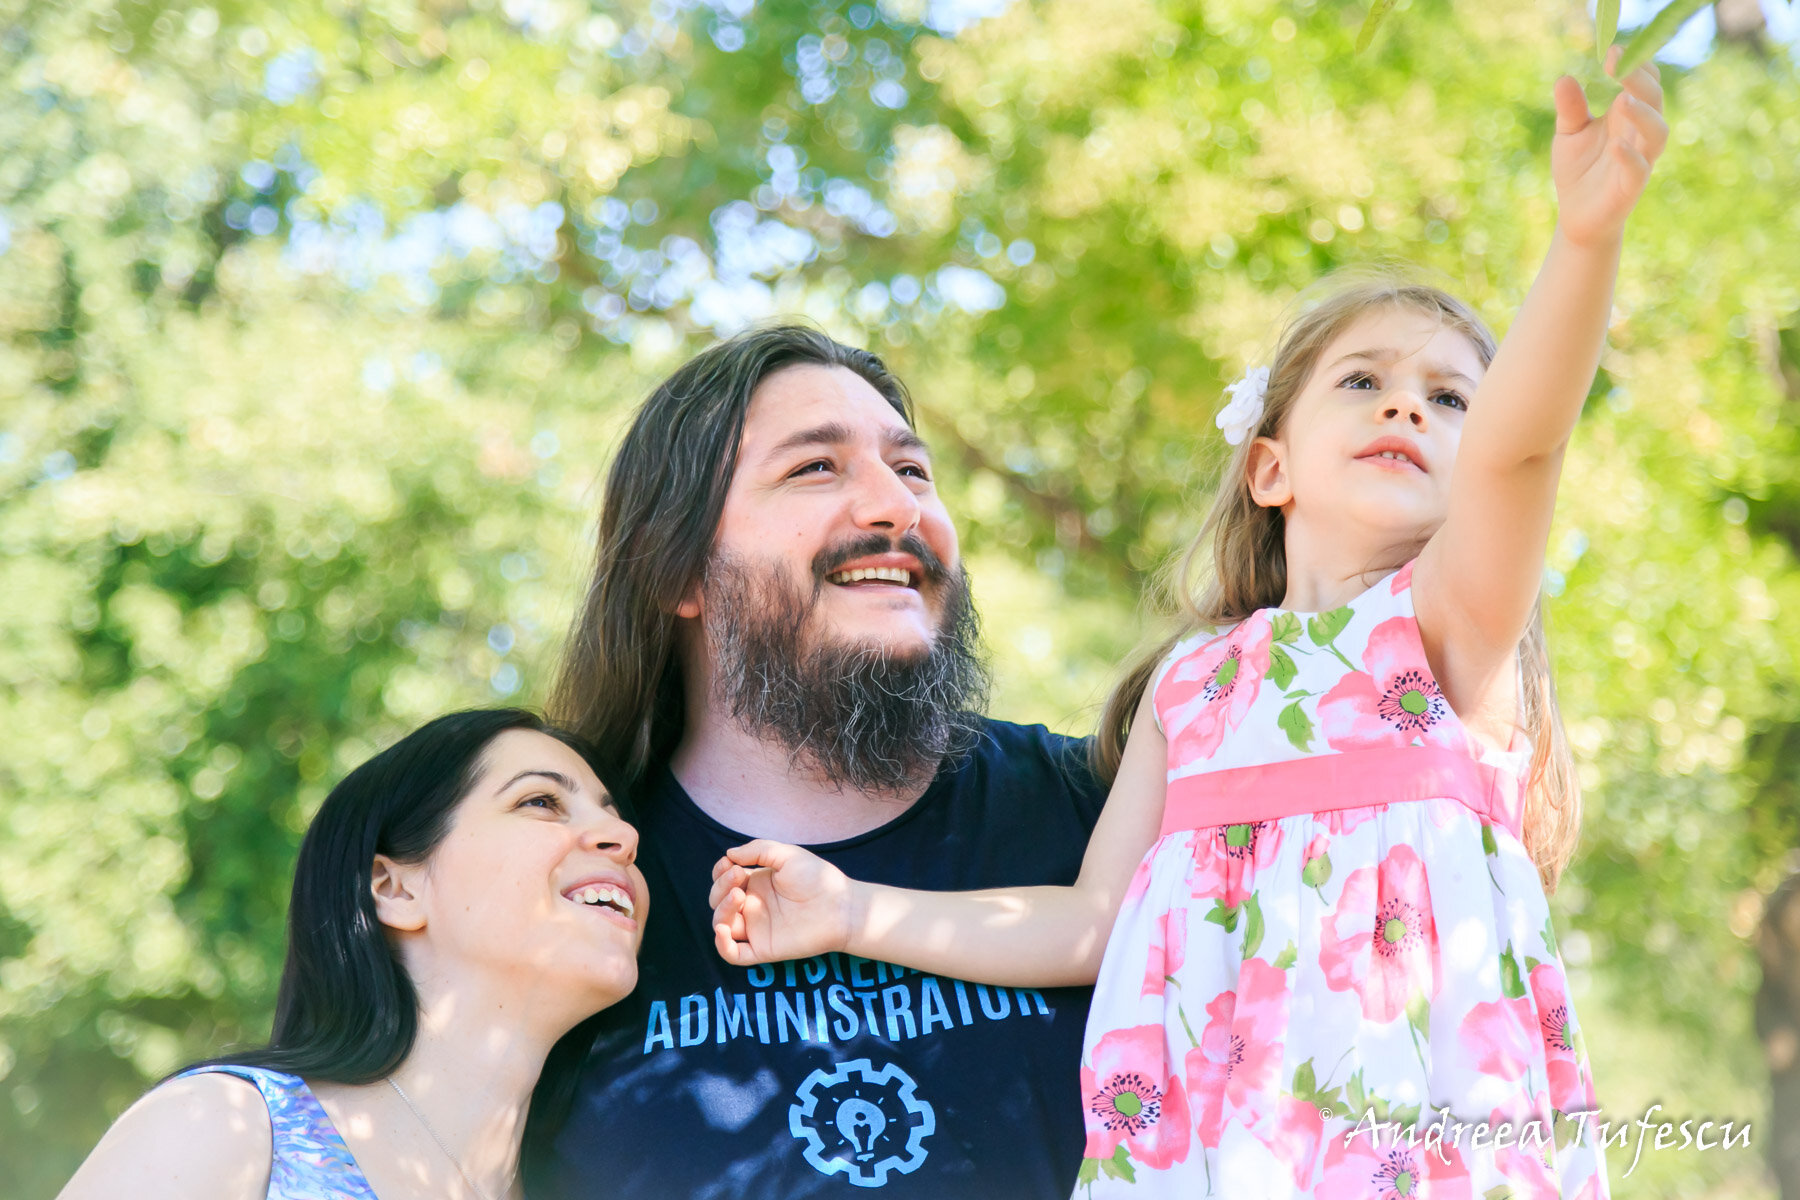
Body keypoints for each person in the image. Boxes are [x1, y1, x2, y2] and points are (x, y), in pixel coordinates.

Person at [710, 54, 1668, 1197]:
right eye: (1362, 381)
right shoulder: (1194, 686)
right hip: (1222, 1152)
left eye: (1450, 395)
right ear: (1270, 465)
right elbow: (1087, 924)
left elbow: (1526, 446)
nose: (1408, 403)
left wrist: (1588, 237)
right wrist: (858, 910)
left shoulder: (1451, 634)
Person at [543, 326, 1107, 1197]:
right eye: (816, 468)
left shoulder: (1106, 814)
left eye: (913, 471)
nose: (898, 508)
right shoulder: (573, 885)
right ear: (677, 569)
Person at [59, 709, 645, 1200]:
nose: (624, 839)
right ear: (396, 889)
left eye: (614, 815)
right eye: (540, 802)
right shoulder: (224, 1127)